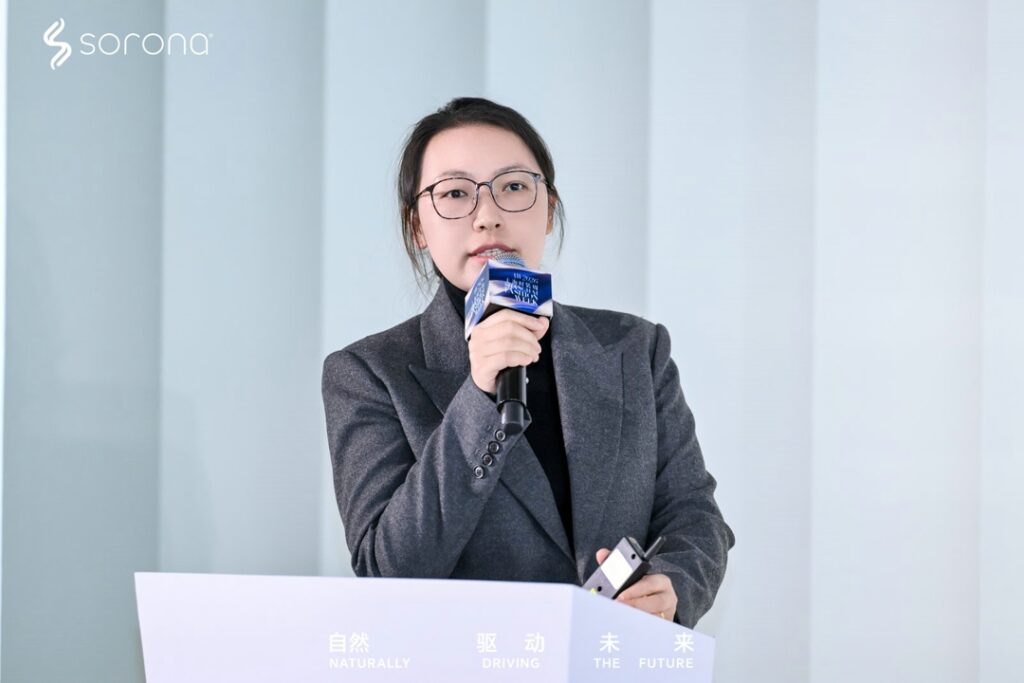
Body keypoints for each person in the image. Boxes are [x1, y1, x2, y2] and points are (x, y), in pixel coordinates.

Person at [321, 97, 734, 628]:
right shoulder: (368, 373)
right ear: (418, 226)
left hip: (613, 657)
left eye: (514, 186)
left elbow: (694, 514)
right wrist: (479, 397)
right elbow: (388, 569)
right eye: (455, 193)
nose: (487, 216)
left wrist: (672, 587)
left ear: (550, 210)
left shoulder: (634, 347)